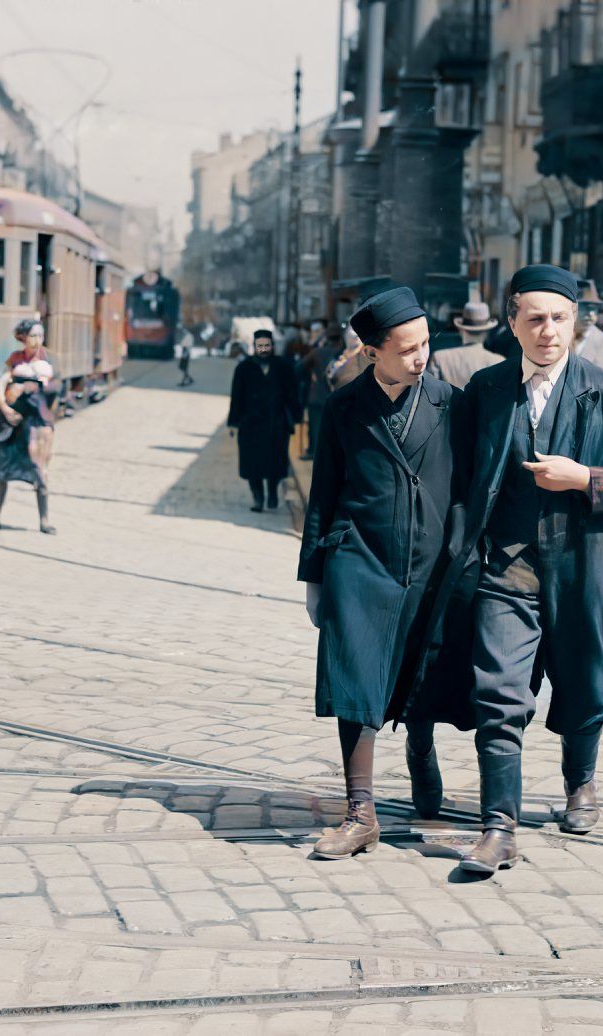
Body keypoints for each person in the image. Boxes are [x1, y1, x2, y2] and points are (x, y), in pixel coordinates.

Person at [405, 264, 603, 874]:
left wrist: (586, 478)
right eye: (535, 318)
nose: (548, 331)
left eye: (560, 319)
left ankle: (581, 783)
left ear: (576, 323)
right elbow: (455, 471)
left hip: (581, 564)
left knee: (584, 676)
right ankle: (499, 826)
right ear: (512, 323)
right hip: (506, 567)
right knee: (498, 691)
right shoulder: (488, 392)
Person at [298, 286, 460, 859]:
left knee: (419, 673)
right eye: (408, 349)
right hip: (359, 559)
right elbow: (323, 493)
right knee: (356, 680)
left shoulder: (448, 402)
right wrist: (315, 576)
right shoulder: (344, 407)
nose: (422, 358)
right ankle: (360, 812)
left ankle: (421, 750)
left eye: (426, 346)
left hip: (430, 563)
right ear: (373, 353)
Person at [227, 328, 300, 512]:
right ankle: (258, 498)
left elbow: (293, 394)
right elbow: (236, 397)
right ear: (254, 347)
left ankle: (273, 492)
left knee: (275, 462)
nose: (264, 349)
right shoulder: (243, 368)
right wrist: (233, 423)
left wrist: (296, 416)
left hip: (277, 423)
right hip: (250, 423)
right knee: (252, 463)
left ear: (272, 346)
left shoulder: (283, 367)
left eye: (267, 345)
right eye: (260, 346)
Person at [0, 359, 57, 535]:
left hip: (31, 435)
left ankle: (44, 520)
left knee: (39, 475)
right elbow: (4, 392)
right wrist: (8, 403)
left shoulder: (43, 383)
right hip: (12, 435)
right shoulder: (15, 367)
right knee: (1, 475)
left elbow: (51, 398)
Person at [430, 301, 499, 387]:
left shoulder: (439, 358)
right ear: (487, 332)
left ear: (461, 330)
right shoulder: (498, 362)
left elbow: (430, 394)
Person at [298, 324, 341, 459]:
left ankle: (312, 452)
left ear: (326, 337)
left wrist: (311, 373)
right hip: (338, 396)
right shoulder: (345, 353)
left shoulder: (318, 352)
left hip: (317, 395)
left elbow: (298, 367)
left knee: (315, 427)